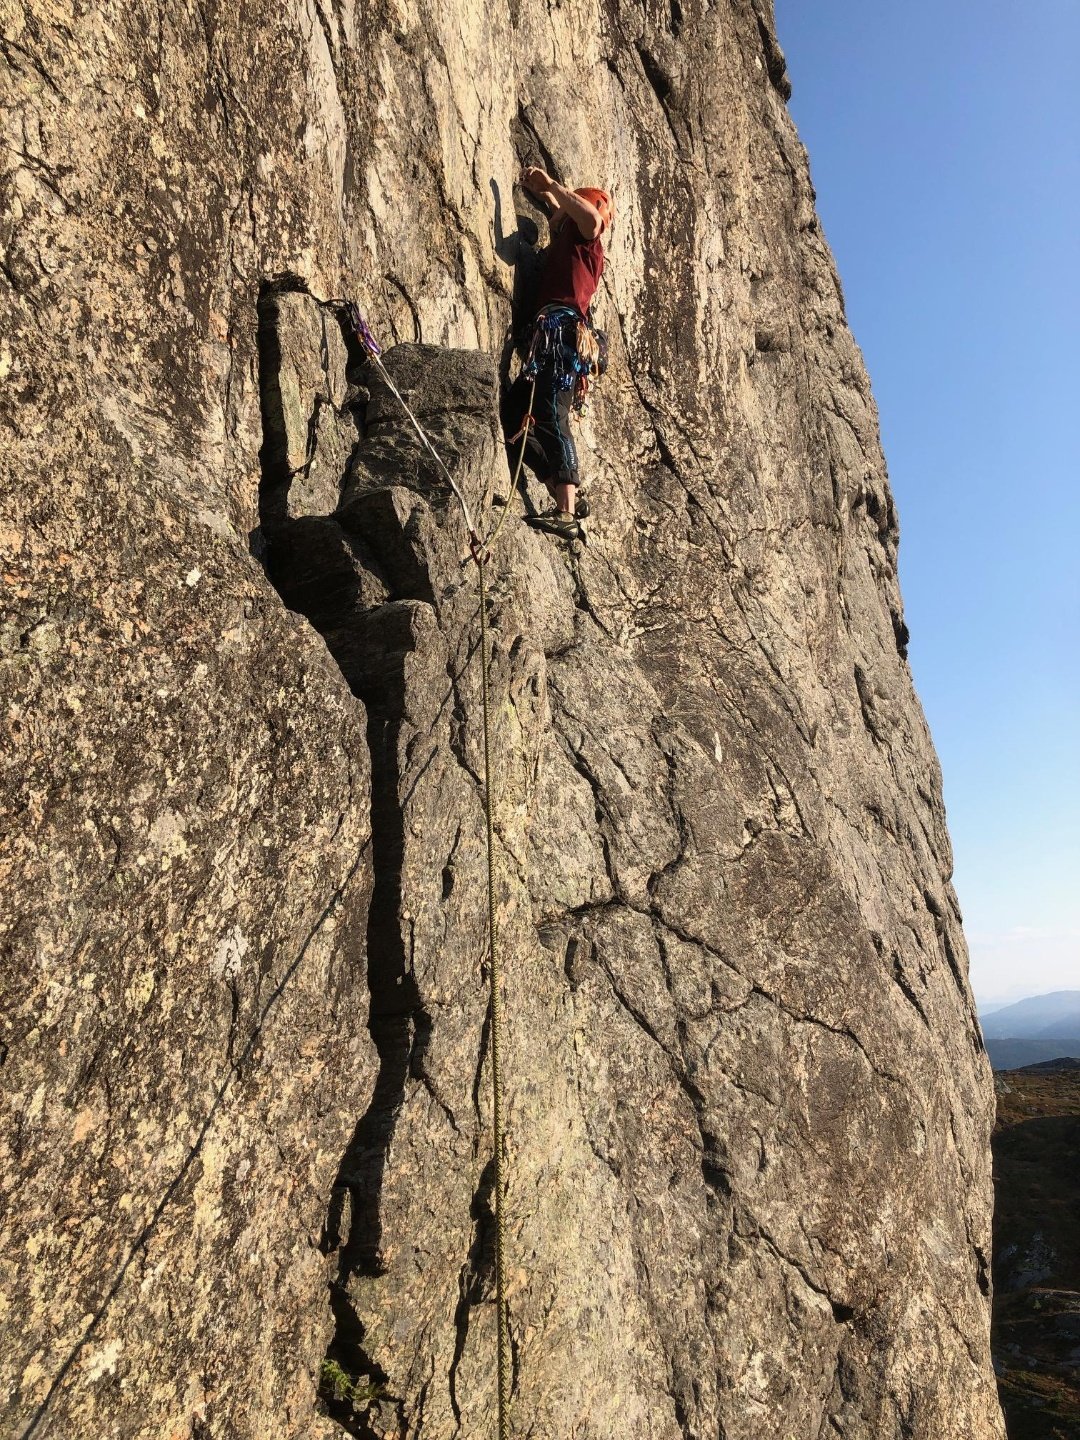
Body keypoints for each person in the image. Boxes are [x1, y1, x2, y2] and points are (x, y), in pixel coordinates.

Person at [501, 168, 614, 541]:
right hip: (546, 336)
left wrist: (552, 185)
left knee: (551, 410)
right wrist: (547, 196)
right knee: (513, 416)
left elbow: (590, 217)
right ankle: (559, 484)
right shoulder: (569, 238)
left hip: (562, 334)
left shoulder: (587, 238)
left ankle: (566, 512)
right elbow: (559, 216)